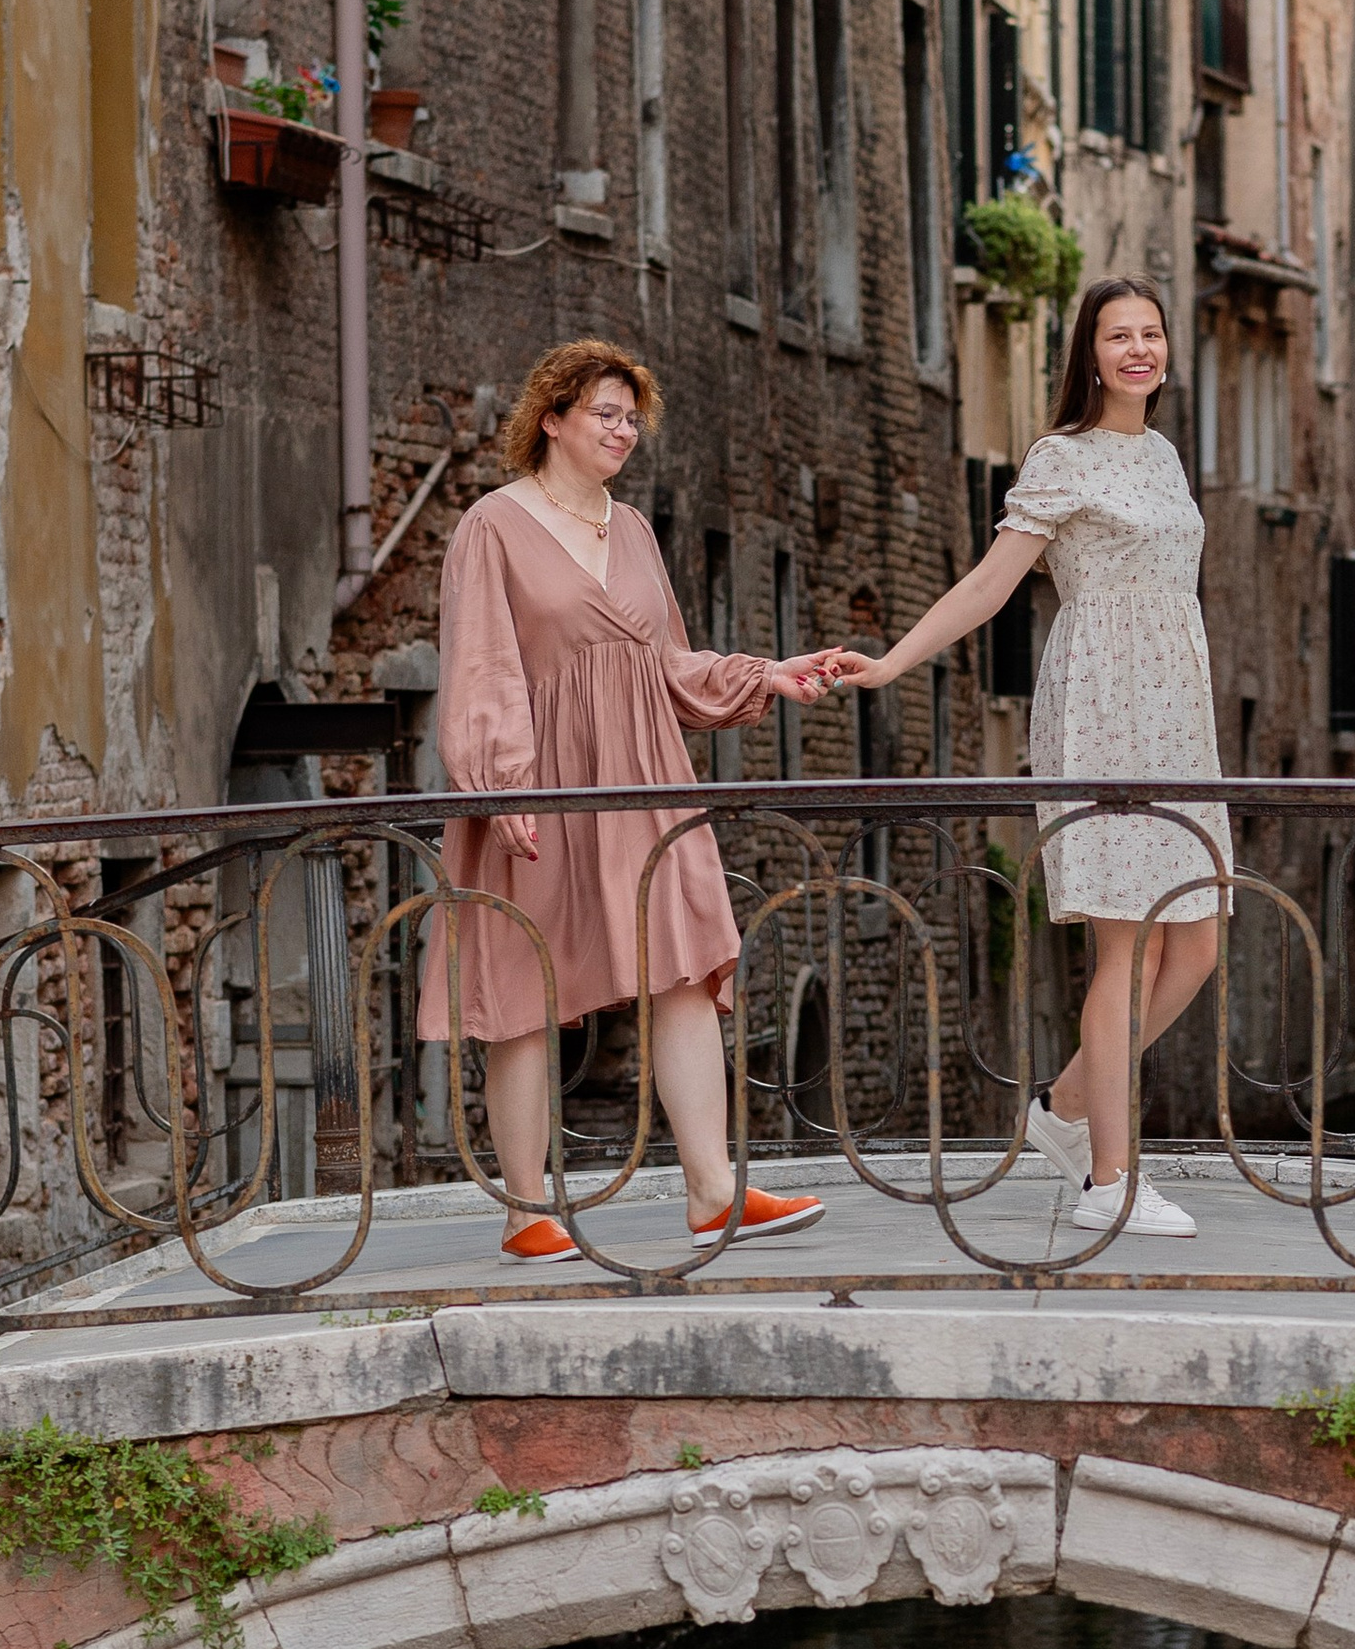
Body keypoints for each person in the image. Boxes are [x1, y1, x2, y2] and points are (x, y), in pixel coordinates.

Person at [424, 336, 840, 1256]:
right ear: (553, 421)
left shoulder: (636, 531)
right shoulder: (493, 524)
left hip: (645, 776)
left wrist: (767, 674)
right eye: (605, 415)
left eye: (631, 417)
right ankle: (527, 1211)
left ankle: (712, 1191)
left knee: (686, 968)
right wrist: (499, 784)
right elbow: (481, 662)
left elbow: (667, 670)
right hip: (540, 784)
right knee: (524, 991)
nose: (623, 431)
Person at [835, 279, 1230, 1239]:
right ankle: (1109, 1183)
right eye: (1117, 336)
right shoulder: (1061, 457)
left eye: (1150, 333)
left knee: (1203, 935)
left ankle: (1060, 1108)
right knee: (1127, 948)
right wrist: (890, 664)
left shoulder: (1167, 455)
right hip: (1102, 709)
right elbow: (991, 583)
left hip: (1179, 711)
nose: (1138, 349)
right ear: (1087, 357)